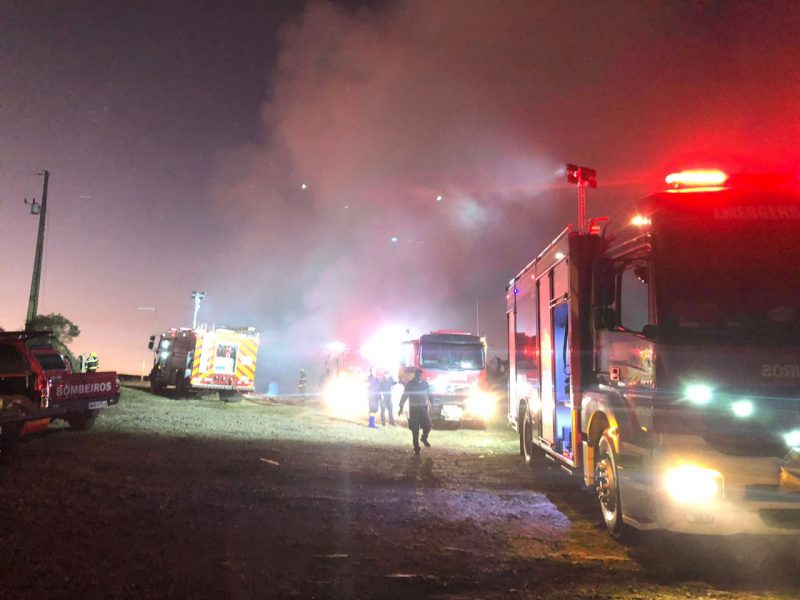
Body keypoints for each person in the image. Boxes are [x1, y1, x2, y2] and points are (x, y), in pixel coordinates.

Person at [398, 368, 432, 455]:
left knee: (428, 426)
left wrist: (433, 403)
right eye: (417, 374)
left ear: (421, 375)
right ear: (415, 375)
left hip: (423, 409)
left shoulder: (425, 384)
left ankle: (424, 438)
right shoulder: (410, 385)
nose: (419, 376)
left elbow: (430, 395)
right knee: (415, 430)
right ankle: (416, 448)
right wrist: (401, 407)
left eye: (420, 374)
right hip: (414, 410)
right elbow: (404, 396)